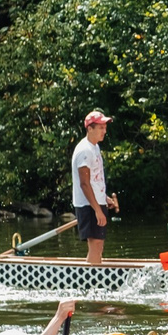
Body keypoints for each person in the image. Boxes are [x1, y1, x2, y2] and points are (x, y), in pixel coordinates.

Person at [71, 112, 117, 262]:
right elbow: (84, 183)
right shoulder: (84, 150)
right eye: (100, 127)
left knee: (99, 245)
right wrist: (97, 209)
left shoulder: (94, 147)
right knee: (95, 244)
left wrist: (105, 198)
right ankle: (91, 282)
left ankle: (96, 274)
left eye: (105, 127)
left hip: (96, 202)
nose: (104, 131)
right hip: (88, 205)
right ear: (90, 129)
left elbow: (95, 180)